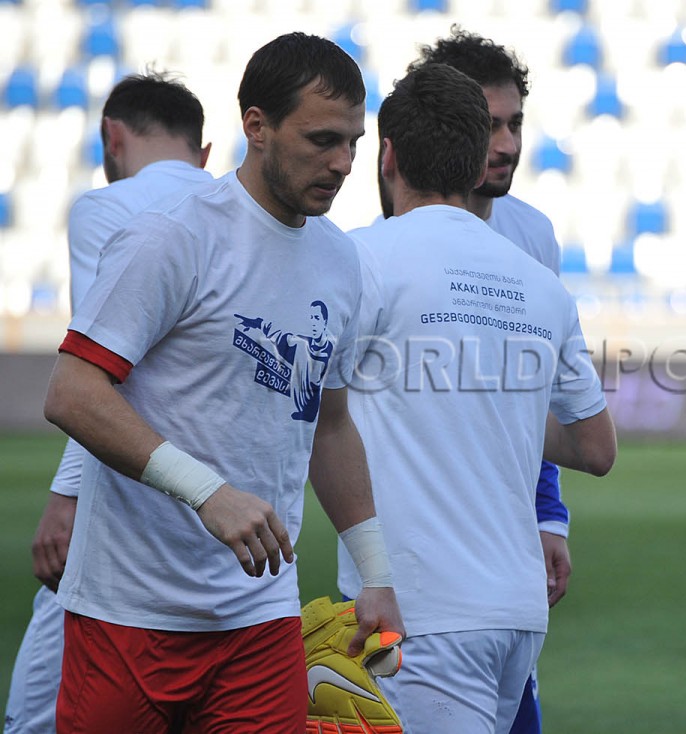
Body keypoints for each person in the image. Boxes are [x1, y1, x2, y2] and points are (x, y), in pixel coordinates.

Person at [40, 33, 402, 732]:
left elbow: (328, 424)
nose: (343, 163)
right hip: (128, 609)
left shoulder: (342, 262)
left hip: (259, 616)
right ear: (256, 126)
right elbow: (73, 391)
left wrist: (377, 573)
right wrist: (206, 491)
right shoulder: (172, 236)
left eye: (354, 143)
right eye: (322, 139)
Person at [341, 61, 616, 733]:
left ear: (387, 156)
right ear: (474, 163)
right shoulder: (539, 281)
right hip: (518, 612)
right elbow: (596, 447)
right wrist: (497, 400)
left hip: (423, 610)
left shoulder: (358, 258)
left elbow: (316, 410)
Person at [4, 71, 214, 734]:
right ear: (205, 153)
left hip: (126, 496)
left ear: (110, 138)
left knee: (39, 712)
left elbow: (99, 372)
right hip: (225, 506)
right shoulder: (237, 213)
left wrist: (66, 497)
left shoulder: (107, 207)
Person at [406, 27, 568, 733]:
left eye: (515, 124)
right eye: (488, 125)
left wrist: (547, 514)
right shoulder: (389, 241)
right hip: (412, 571)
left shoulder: (533, 234)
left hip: (504, 571)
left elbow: (540, 396)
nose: (505, 145)